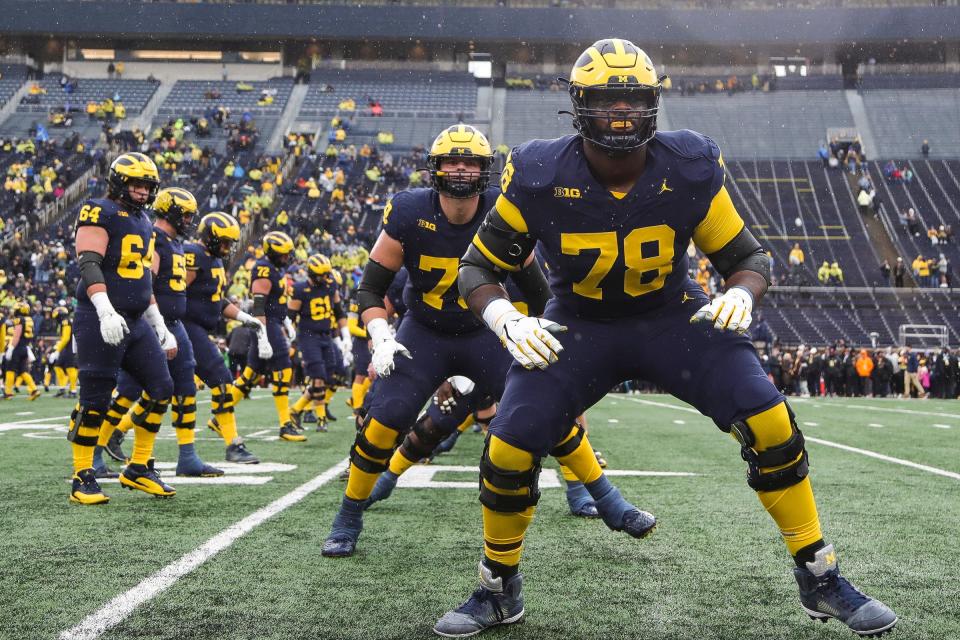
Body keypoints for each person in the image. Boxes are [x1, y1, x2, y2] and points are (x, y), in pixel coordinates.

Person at [434, 38, 897, 638]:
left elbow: (746, 255)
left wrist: (741, 292)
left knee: (770, 421)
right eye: (606, 102)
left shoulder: (688, 165)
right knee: (508, 446)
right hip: (580, 324)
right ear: (579, 107)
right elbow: (478, 268)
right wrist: (505, 318)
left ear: (654, 104)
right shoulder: (540, 172)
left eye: (632, 101)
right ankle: (498, 586)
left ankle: (819, 573)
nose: (620, 116)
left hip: (675, 317)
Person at [321, 125, 637, 559]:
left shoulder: (502, 211)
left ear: (484, 169)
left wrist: (536, 331)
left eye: (470, 161)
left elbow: (537, 288)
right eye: (452, 160)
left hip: (487, 332)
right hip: (425, 330)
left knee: (551, 403)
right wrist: (379, 333)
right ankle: (349, 515)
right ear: (434, 167)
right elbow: (371, 288)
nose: (461, 169)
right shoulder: (409, 210)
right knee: (387, 416)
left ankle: (602, 495)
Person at [67, 152, 175, 505]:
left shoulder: (144, 221)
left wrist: (158, 323)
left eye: (148, 186)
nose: (143, 191)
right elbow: (89, 261)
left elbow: (141, 278)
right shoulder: (98, 210)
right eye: (137, 184)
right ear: (118, 182)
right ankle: (82, 476)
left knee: (161, 387)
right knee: (95, 399)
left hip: (135, 318)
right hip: (100, 316)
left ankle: (139, 467)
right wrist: (103, 309)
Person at [230, 230, 304, 442]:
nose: (286, 258)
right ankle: (285, 424)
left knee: (251, 374)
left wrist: (286, 321)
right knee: (284, 369)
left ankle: (219, 415)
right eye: (282, 254)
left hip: (274, 322)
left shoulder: (274, 268)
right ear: (271, 253)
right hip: (266, 324)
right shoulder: (263, 268)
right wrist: (262, 335)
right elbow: (260, 307)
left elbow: (276, 302)